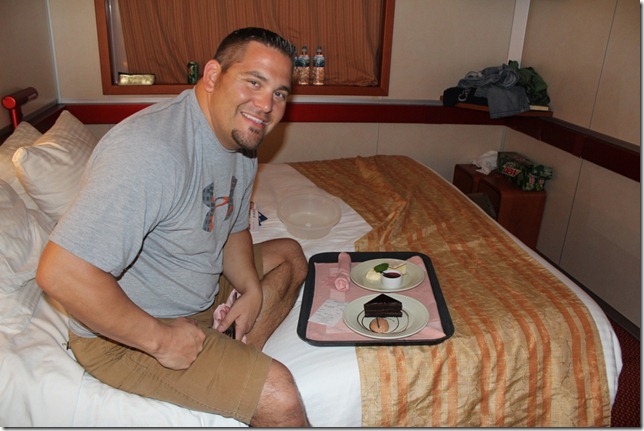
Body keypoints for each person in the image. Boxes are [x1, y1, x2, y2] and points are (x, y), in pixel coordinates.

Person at [36, 27, 310, 427]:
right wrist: (161, 341)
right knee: (281, 397)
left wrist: (251, 291)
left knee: (290, 256)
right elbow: (60, 273)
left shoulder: (241, 141)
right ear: (213, 76)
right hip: (126, 333)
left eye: (280, 93)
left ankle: (235, 361)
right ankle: (241, 382)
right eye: (254, 82)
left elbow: (231, 228)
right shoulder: (150, 152)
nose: (267, 105)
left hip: (194, 285)